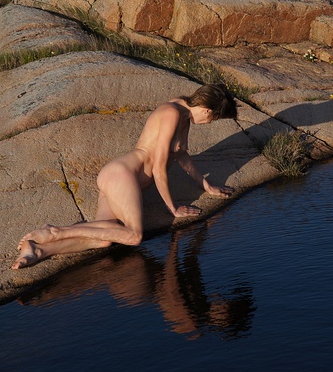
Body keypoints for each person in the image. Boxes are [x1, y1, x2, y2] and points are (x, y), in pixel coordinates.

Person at [12, 83, 238, 270]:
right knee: (134, 236)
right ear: (208, 111)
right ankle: (55, 231)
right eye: (214, 119)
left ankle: (37, 250)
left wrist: (206, 185)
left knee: (104, 239)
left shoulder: (183, 113)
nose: (210, 123)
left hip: (122, 181)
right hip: (122, 175)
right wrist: (173, 209)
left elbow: (181, 155)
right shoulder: (172, 113)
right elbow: (159, 169)